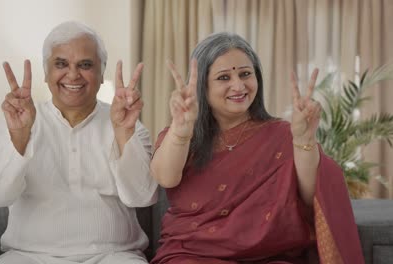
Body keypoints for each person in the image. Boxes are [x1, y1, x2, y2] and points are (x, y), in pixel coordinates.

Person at [150, 32, 363, 264]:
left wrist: (305, 140)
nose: (238, 85)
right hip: (192, 254)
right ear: (202, 85)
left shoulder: (281, 134)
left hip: (269, 256)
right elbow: (165, 178)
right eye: (223, 78)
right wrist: (181, 131)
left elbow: (311, 196)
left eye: (245, 74)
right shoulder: (181, 132)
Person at [0, 21, 158, 264]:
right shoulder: (17, 122)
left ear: (101, 73)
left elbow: (143, 198)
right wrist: (20, 138)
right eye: (61, 64)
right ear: (46, 73)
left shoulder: (128, 123)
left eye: (85, 65)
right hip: (28, 256)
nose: (73, 74)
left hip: (114, 255)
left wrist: (124, 134)